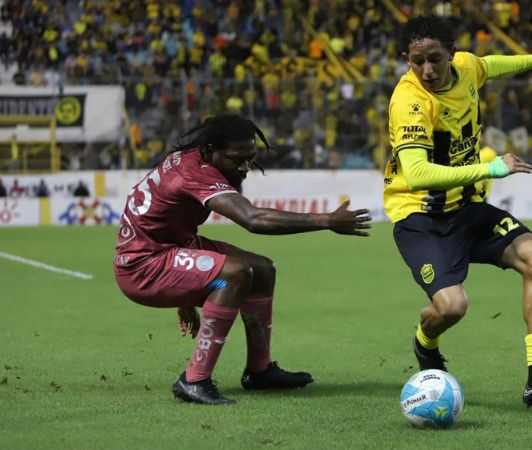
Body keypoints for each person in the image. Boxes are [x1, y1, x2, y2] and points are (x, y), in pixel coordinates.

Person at [383, 15, 532, 413]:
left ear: (452, 55)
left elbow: (493, 64)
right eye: (417, 61)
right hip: (422, 218)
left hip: (468, 209)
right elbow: (420, 174)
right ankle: (425, 343)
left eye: (435, 59)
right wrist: (493, 168)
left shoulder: (467, 67)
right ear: (407, 58)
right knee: (452, 307)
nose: (427, 69)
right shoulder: (409, 102)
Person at [113, 114, 371, 405]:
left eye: (250, 157)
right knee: (233, 274)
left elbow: (166, 223)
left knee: (261, 269)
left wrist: (183, 299)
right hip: (144, 264)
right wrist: (326, 220)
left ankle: (259, 371)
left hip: (170, 247)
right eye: (237, 159)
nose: (246, 166)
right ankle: (194, 380)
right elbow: (253, 219)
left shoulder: (195, 157)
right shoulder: (195, 171)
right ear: (211, 150)